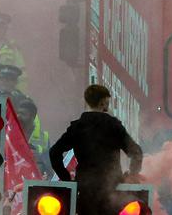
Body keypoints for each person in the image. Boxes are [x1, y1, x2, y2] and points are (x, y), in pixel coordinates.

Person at [50, 84, 144, 215]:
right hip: (112, 192)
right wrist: (133, 174)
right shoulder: (113, 126)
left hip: (84, 192)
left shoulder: (77, 127)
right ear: (103, 102)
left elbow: (54, 152)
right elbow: (136, 152)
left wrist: (66, 179)